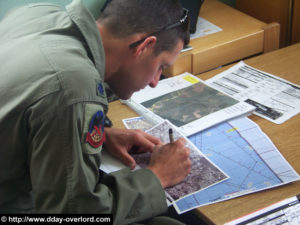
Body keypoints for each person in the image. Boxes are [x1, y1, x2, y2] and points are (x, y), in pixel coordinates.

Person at [0, 0, 192, 224]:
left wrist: (102, 133)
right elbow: (74, 213)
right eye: (161, 67)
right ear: (145, 47)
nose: (155, 82)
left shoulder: (38, 14)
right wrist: (158, 176)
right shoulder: (73, 88)